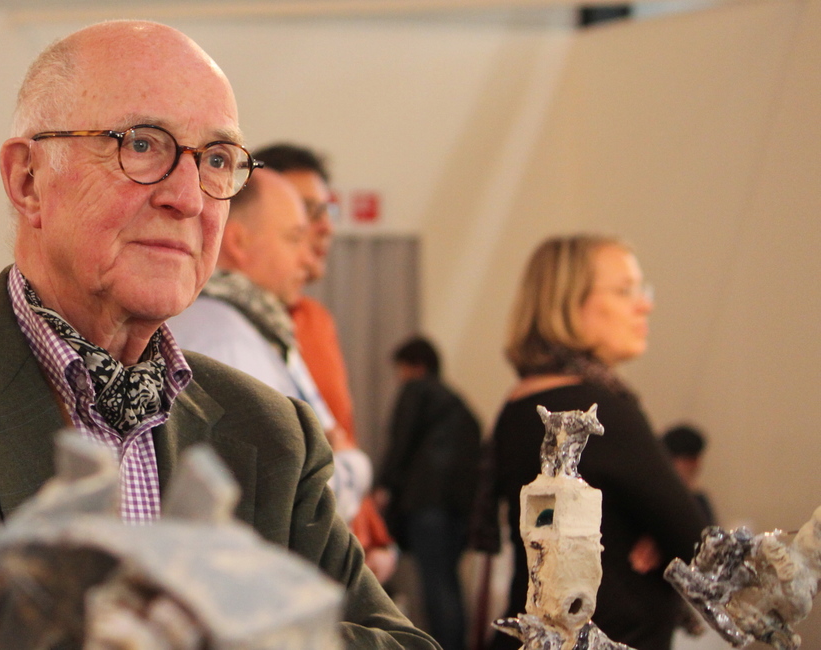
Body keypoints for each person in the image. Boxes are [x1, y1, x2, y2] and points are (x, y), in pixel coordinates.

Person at [0, 21, 438, 650]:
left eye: (216, 160)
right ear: (28, 180)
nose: (188, 198)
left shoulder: (271, 433)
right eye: (141, 145)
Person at [473, 234, 708, 650]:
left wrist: (659, 529)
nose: (644, 305)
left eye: (642, 290)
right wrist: (666, 534)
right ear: (568, 302)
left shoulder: (520, 403)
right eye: (624, 290)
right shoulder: (595, 409)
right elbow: (697, 543)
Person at [168, 167, 373, 523]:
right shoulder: (225, 343)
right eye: (294, 239)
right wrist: (355, 466)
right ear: (240, 242)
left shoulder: (253, 327)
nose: (307, 259)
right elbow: (289, 498)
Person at [254, 141, 399, 584]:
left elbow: (342, 438)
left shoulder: (314, 321)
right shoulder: (234, 329)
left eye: (327, 211)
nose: (324, 228)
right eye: (306, 210)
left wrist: (375, 537)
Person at [375, 336, 483, 650]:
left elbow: (401, 442)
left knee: (435, 586)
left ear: (416, 366)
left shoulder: (416, 390)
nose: (399, 378)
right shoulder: (461, 407)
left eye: (401, 369)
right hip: (459, 508)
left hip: (425, 504)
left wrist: (383, 485)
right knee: (449, 582)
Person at [662, 424, 716, 525]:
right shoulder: (655, 502)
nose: (695, 466)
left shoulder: (699, 500)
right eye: (688, 460)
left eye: (696, 459)